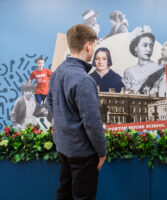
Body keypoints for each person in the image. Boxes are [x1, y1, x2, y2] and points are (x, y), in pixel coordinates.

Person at [46, 24, 106, 200]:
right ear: (88, 45)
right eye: (94, 46)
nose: (93, 50)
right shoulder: (84, 79)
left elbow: (49, 102)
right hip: (83, 154)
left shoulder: (57, 72)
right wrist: (102, 152)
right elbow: (92, 123)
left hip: (64, 148)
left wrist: (65, 122)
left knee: (64, 193)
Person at [122, 25, 167, 96]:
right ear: (135, 48)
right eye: (145, 45)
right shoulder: (128, 72)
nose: (149, 49)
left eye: (151, 45)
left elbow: (163, 97)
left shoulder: (160, 70)